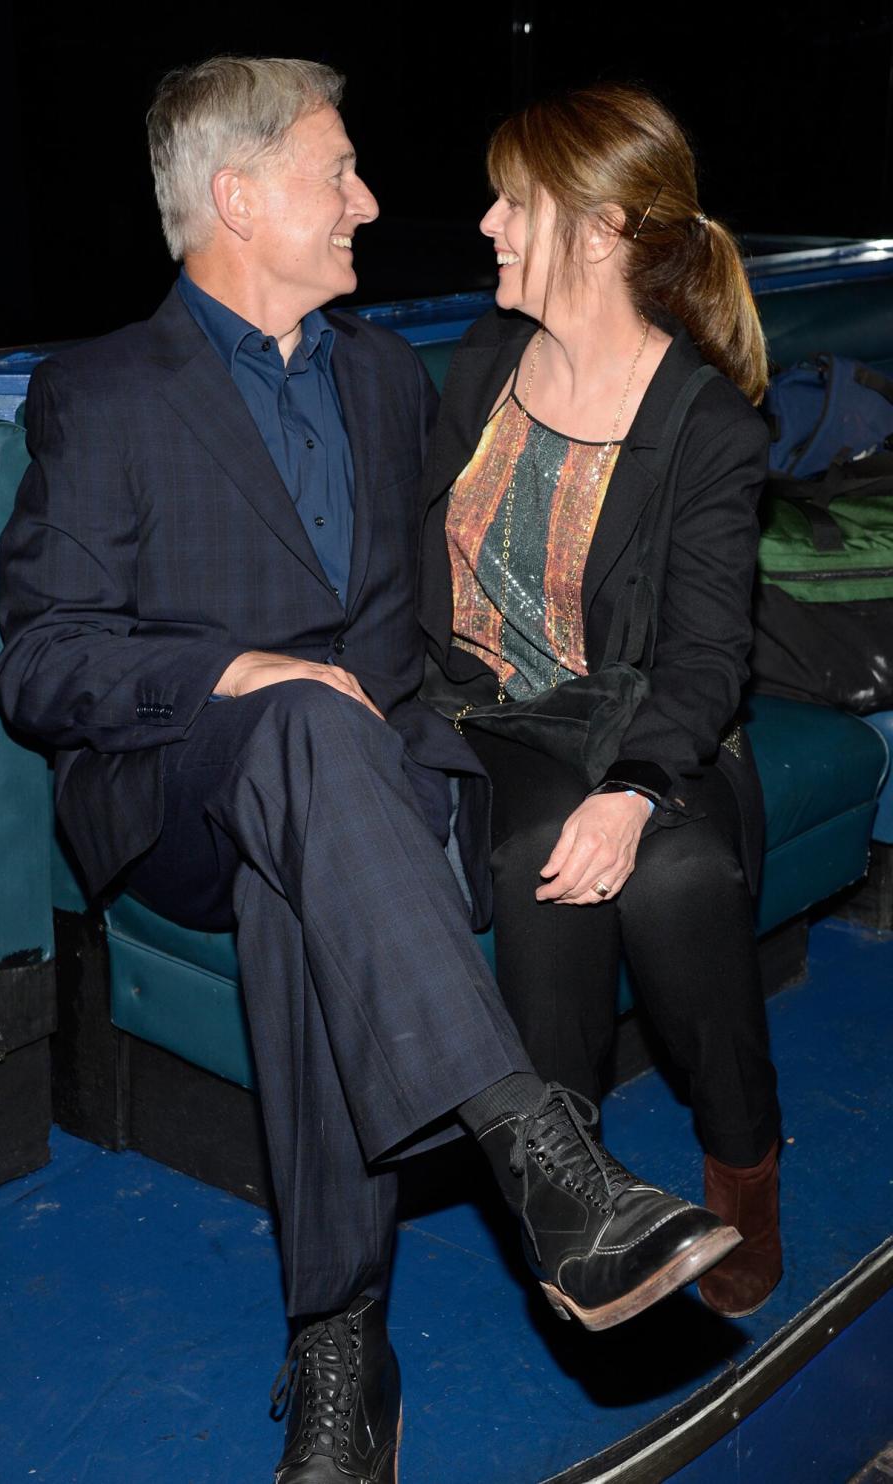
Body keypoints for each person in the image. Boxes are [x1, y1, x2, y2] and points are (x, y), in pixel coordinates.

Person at [0, 59, 736, 1484]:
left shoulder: (392, 377)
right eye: (339, 173)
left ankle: (343, 1338)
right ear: (239, 196)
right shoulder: (102, 392)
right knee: (295, 739)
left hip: (383, 792)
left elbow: (506, 546)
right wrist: (232, 672)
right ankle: (541, 1152)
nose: (371, 203)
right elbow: (40, 663)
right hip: (181, 794)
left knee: (309, 851)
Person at [418, 83, 782, 1323]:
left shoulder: (707, 425)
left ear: (601, 230)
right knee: (536, 851)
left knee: (674, 874)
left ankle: (746, 1171)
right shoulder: (479, 361)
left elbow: (704, 656)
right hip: (492, 719)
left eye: (515, 203)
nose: (487, 224)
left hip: (646, 725)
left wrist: (634, 788)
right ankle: (569, 1191)